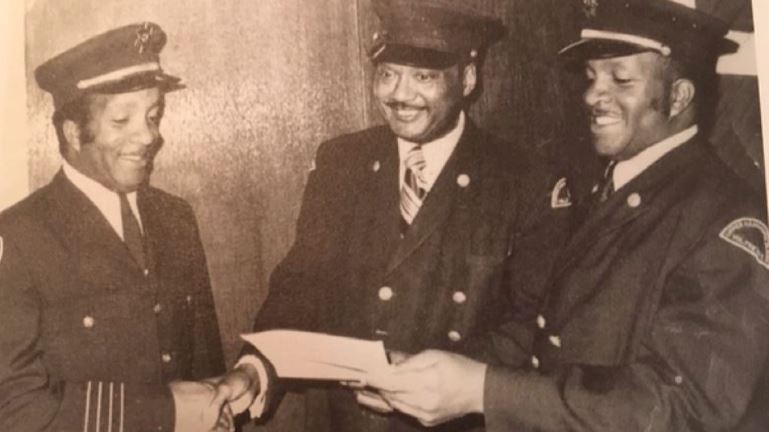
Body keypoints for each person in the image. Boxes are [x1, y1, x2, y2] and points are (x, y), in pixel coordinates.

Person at [363, 0, 769, 431]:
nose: (592, 95)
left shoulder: (725, 218)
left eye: (621, 80)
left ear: (680, 96)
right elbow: (547, 332)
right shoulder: (603, 184)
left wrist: (482, 391)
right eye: (592, 78)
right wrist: (432, 371)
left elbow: (683, 407)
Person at [215, 0, 572, 431]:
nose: (400, 95)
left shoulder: (524, 181)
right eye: (387, 74)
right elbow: (301, 286)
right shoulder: (341, 162)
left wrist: (453, 379)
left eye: (423, 77)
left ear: (467, 79)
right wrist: (256, 368)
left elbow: (533, 322)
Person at [0, 23, 230, 432]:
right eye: (122, 120)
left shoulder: (176, 217)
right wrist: (165, 412)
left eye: (153, 116)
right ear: (73, 133)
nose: (149, 136)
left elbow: (204, 362)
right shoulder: (19, 236)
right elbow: (16, 407)